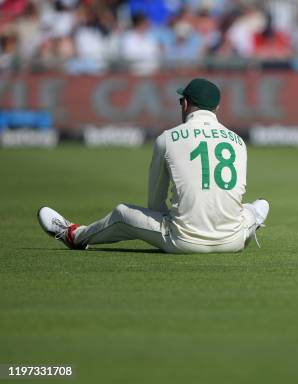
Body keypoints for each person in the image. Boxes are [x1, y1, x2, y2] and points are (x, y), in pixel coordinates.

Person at [38, 78, 269, 254]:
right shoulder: (238, 141)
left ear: (186, 103)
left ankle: (73, 235)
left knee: (122, 213)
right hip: (233, 240)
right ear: (216, 109)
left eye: (181, 101)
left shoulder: (168, 138)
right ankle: (246, 226)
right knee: (259, 206)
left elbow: (155, 204)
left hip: (184, 241)